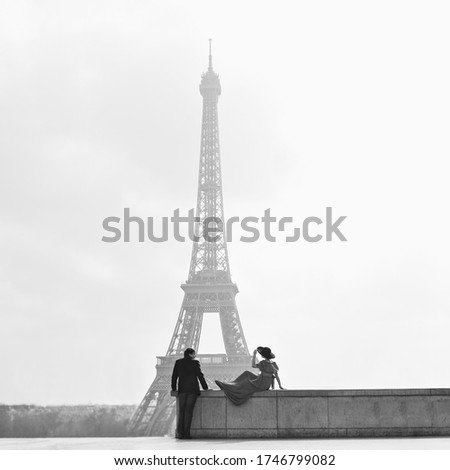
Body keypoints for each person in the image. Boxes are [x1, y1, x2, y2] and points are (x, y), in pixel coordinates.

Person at [215, 346, 284, 405]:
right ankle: (231, 385)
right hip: (266, 385)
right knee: (247, 374)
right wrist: (280, 386)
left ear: (263, 355)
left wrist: (254, 355)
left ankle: (229, 386)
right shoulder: (273, 364)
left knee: (245, 379)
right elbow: (276, 376)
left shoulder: (263, 363)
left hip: (260, 383)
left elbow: (253, 365)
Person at [171, 347, 209, 439]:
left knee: (181, 412)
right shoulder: (195, 363)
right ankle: (186, 434)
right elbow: (200, 375)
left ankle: (180, 433)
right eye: (194, 353)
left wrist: (174, 388)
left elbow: (174, 376)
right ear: (190, 354)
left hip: (182, 390)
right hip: (192, 390)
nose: (195, 355)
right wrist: (205, 387)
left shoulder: (178, 362)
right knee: (188, 412)